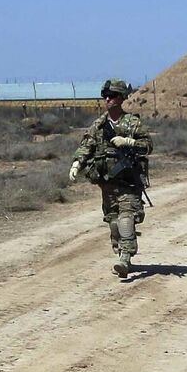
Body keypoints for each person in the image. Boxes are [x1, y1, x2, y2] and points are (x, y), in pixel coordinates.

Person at [69, 79, 153, 277]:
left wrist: (129, 141)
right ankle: (120, 247)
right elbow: (86, 145)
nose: (108, 99)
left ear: (121, 98)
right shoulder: (99, 125)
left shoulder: (133, 122)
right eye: (106, 96)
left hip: (128, 182)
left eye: (113, 95)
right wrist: (77, 163)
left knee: (126, 219)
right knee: (114, 222)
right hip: (107, 183)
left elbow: (148, 146)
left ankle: (125, 259)